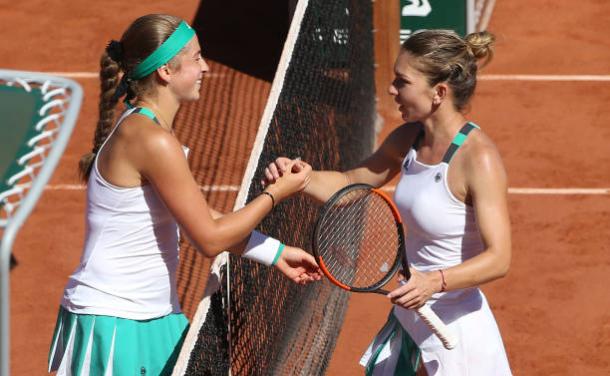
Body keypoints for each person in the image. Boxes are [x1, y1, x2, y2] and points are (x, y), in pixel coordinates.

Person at [47, 14, 321, 376]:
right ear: (165, 72)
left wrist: (277, 253)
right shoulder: (152, 140)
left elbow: (204, 218)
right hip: (118, 321)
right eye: (195, 58)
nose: (206, 67)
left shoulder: (146, 128)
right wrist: (275, 194)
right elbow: (208, 239)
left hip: (147, 314)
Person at [265, 29, 512, 375]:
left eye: (402, 82)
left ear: (439, 92)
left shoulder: (478, 158)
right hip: (411, 320)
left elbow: (499, 259)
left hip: (457, 333)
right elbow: (351, 183)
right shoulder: (409, 138)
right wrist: (301, 177)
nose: (391, 90)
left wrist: (434, 282)